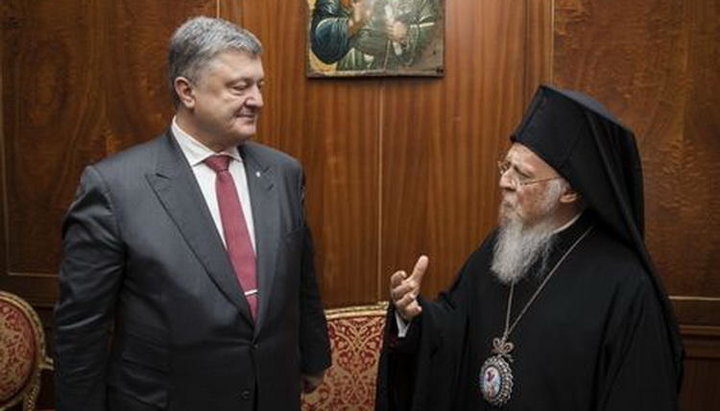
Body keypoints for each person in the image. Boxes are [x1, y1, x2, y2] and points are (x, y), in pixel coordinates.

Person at [54, 17, 331, 411]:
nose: (258, 99)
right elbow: (81, 330)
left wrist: (314, 356)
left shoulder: (283, 172)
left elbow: (301, 276)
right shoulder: (115, 187)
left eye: (259, 85)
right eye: (240, 87)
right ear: (187, 91)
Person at [376, 85, 684, 410]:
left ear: (569, 192)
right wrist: (412, 318)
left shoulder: (626, 287)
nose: (504, 182)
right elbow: (454, 332)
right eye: (506, 166)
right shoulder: (500, 246)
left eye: (522, 175)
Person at [310, 0, 440, 71]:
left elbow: (434, 32)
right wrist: (352, 25)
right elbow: (319, 42)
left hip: (402, 79)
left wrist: (407, 34)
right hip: (352, 75)